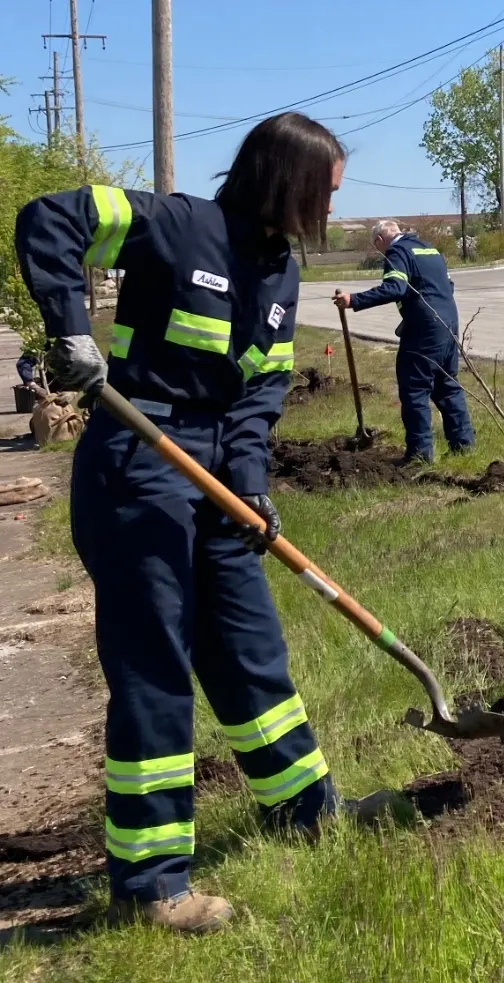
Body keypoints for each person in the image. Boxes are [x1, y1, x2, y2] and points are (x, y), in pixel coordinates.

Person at [15, 111, 398, 935]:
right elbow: (50, 218)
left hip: (218, 477)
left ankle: (306, 808)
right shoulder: (175, 224)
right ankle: (151, 883)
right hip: (138, 463)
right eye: (325, 191)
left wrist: (252, 486)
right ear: (285, 180)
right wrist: (69, 329)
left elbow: (260, 396)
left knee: (251, 646)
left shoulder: (278, 276)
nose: (331, 206)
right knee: (155, 666)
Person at [332, 220, 474, 465]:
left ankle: (420, 454)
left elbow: (394, 288)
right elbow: (447, 285)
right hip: (449, 323)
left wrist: (353, 300)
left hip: (425, 330)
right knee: (447, 386)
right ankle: (463, 446)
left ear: (379, 240)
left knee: (415, 389)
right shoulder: (428, 248)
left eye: (376, 247)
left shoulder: (397, 252)